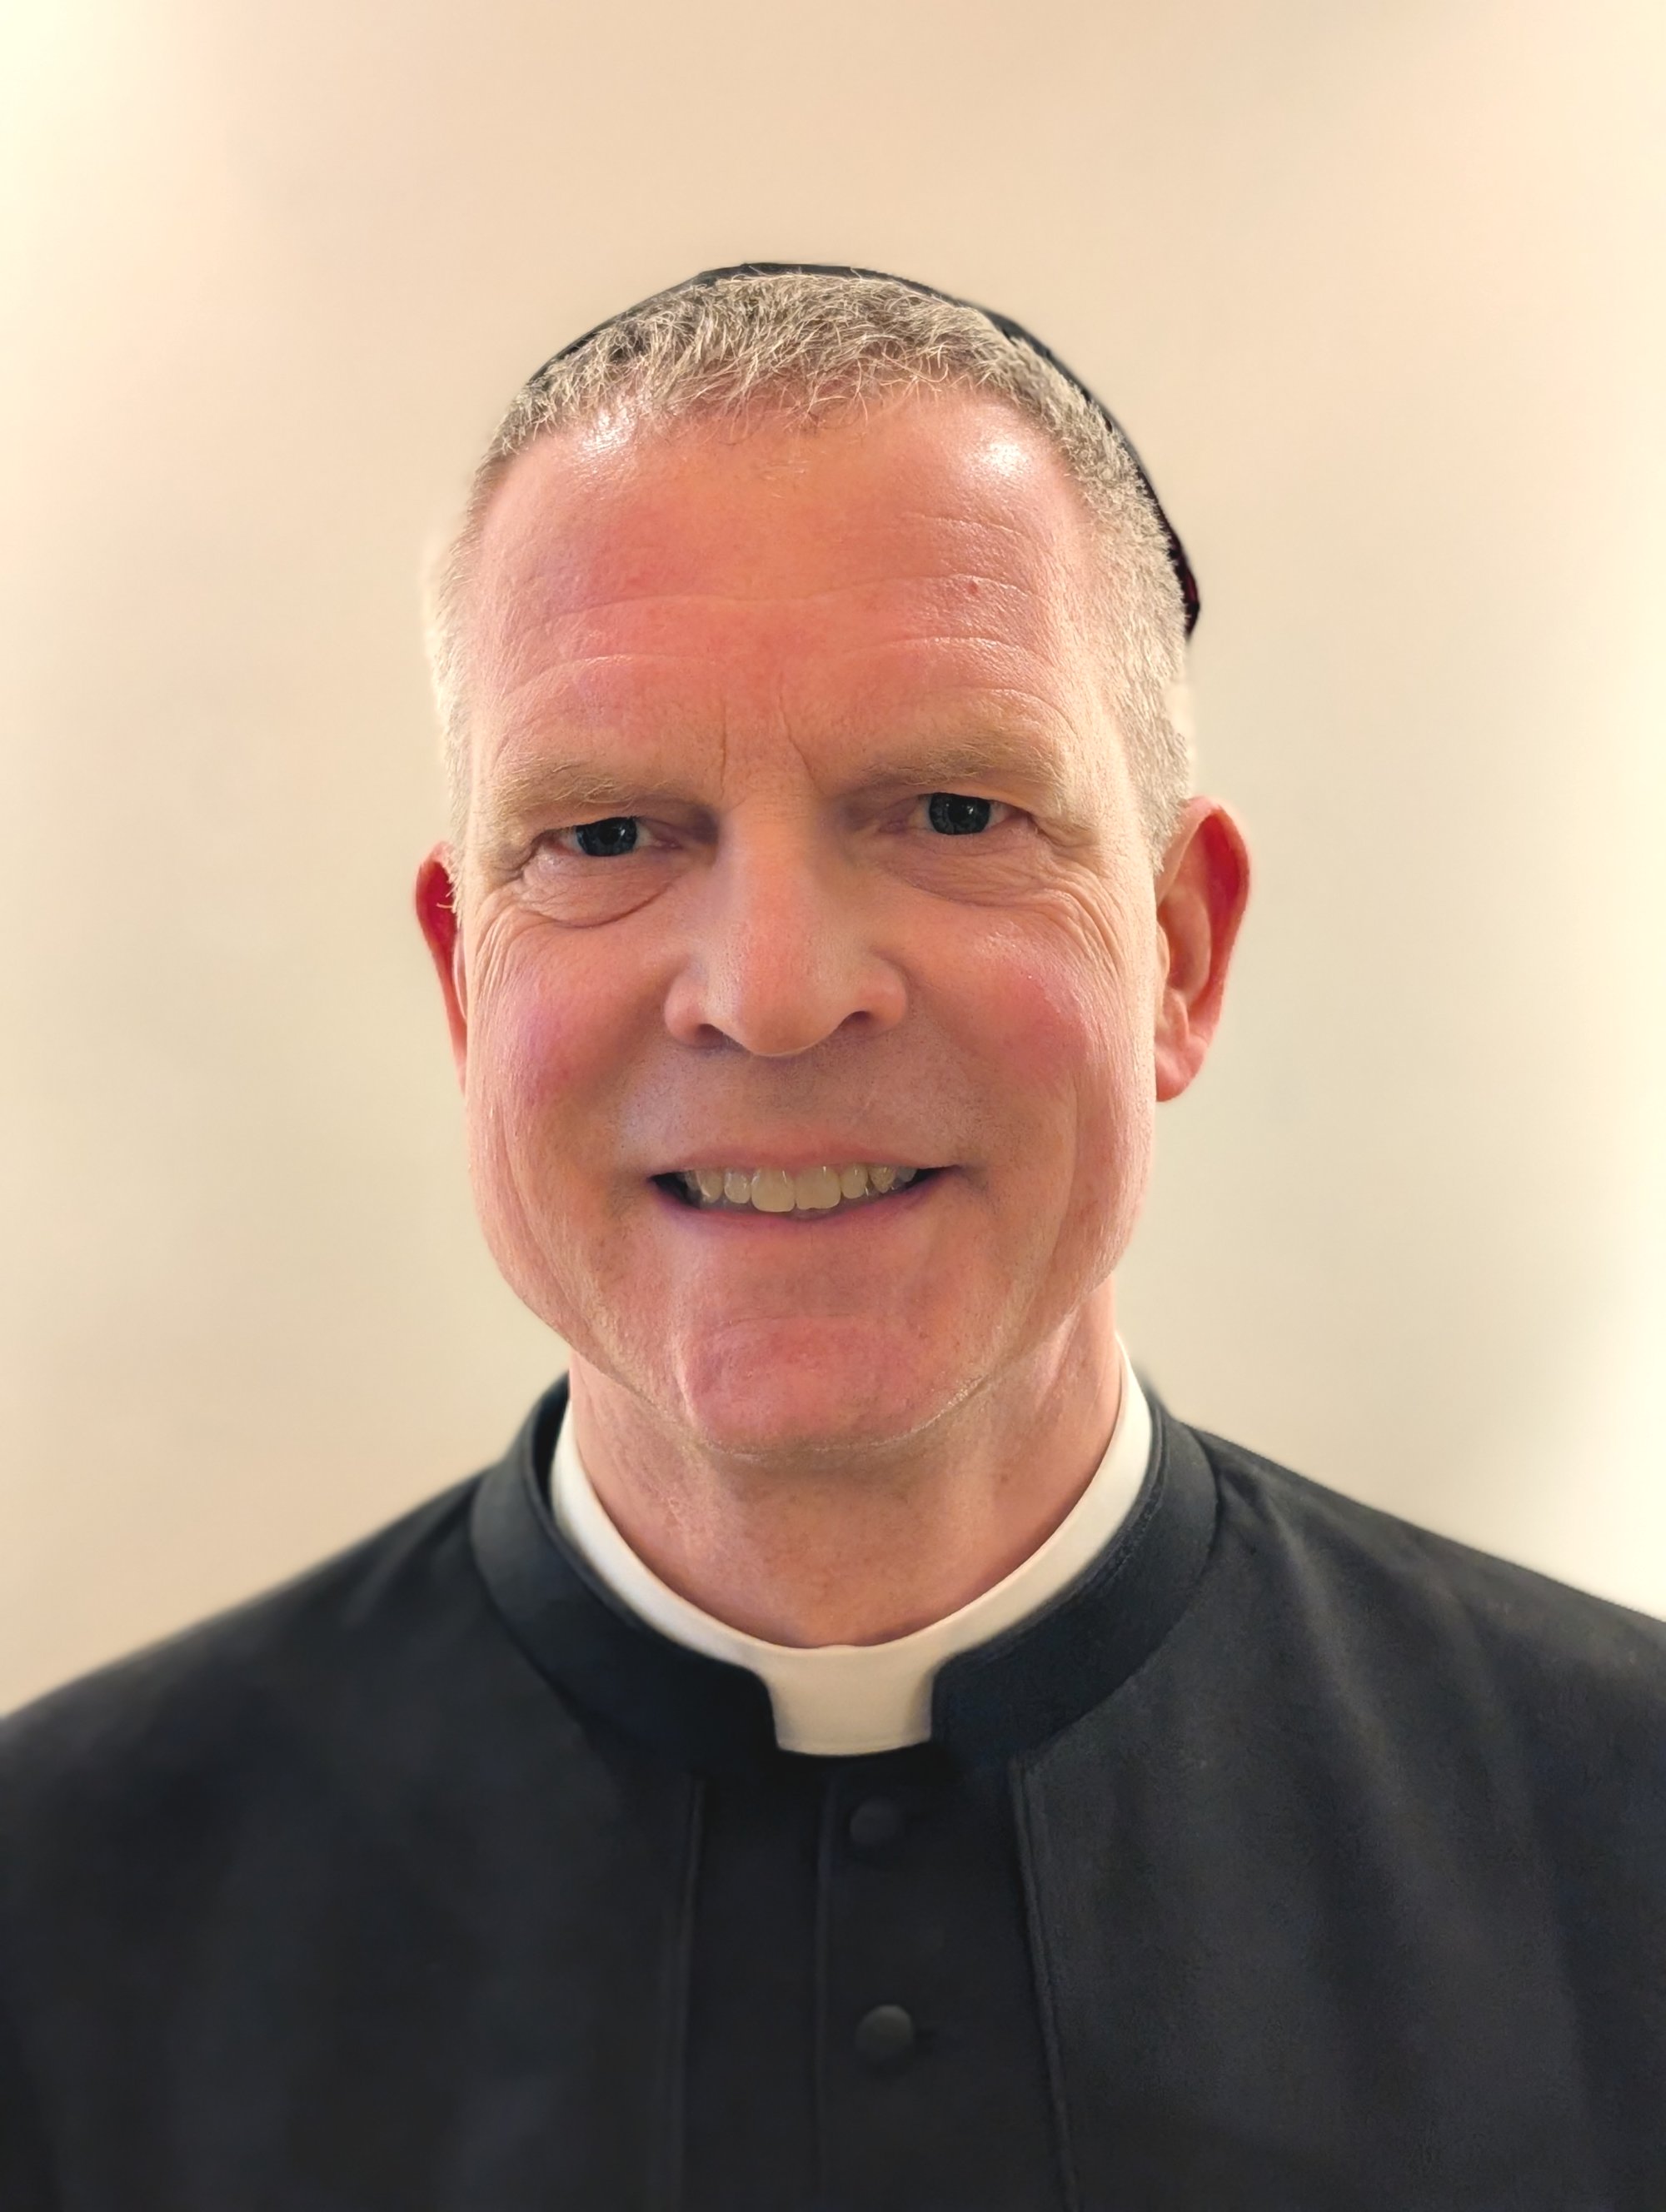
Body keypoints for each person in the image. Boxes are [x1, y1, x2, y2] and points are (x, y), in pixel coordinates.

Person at [2, 265, 1661, 2212]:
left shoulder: (1624, 1839)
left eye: (952, 808)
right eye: (606, 836)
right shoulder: (52, 1919)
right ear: (464, 981)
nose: (773, 992)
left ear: (1179, 952)